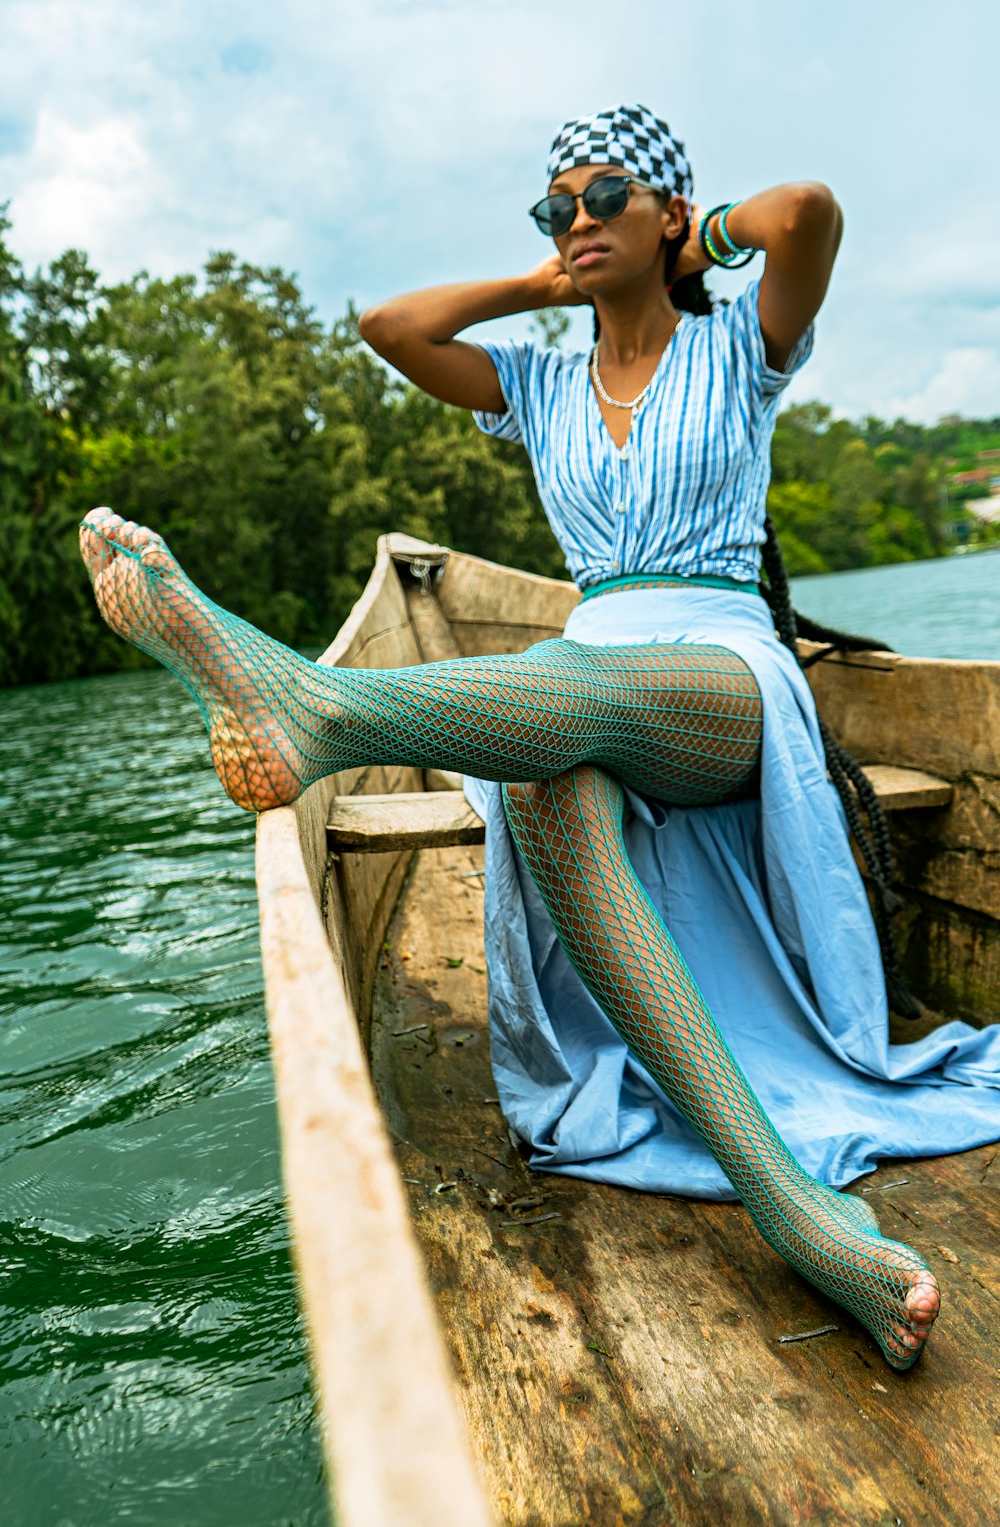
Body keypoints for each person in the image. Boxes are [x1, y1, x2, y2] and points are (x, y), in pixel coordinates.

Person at [79, 104, 999, 1371]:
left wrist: (692, 242)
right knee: (547, 773)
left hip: (722, 677)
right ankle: (788, 1203)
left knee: (567, 691)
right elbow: (388, 328)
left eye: (602, 197)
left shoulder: (739, 351)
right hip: (583, 670)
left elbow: (810, 214)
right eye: (550, 206)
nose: (573, 221)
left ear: (666, 210)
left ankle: (326, 710)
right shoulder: (540, 383)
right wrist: (537, 278)